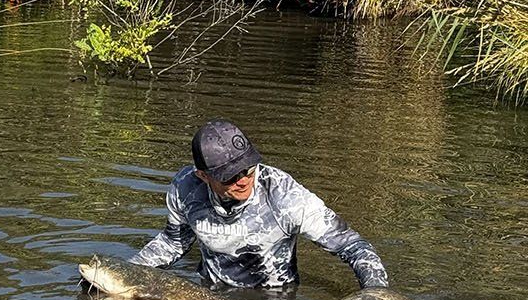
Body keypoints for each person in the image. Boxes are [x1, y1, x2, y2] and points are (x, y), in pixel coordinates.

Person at [132, 119, 389, 290]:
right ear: (203, 175)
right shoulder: (186, 188)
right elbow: (172, 242)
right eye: (229, 176)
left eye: (247, 168)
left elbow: (353, 246)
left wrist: (375, 294)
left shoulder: (285, 196)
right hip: (208, 295)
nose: (243, 180)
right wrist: (124, 273)